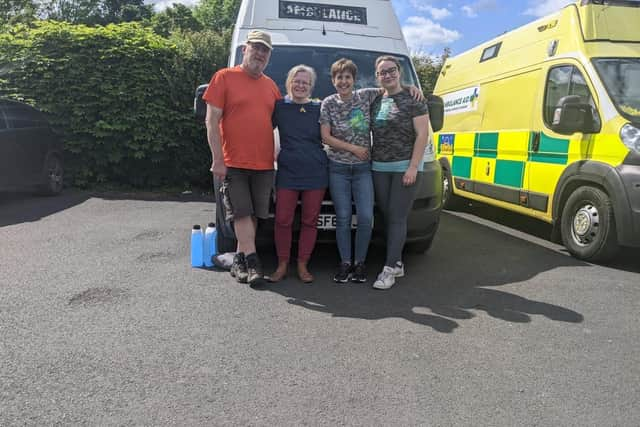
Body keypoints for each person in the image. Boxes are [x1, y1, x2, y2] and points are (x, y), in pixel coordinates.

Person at [319, 58, 423, 284]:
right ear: (333, 80)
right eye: (339, 77)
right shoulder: (328, 103)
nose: (344, 81)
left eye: (348, 77)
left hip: (364, 169)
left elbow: (391, 86)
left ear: (354, 80)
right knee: (344, 217)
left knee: (366, 217)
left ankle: (360, 264)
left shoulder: (366, 96)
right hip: (338, 168)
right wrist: (354, 148)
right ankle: (346, 262)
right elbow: (325, 136)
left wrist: (410, 87)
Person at [202, 30, 282, 286]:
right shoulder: (224, 77)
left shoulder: (271, 86)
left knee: (255, 214)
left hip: (264, 163)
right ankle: (254, 263)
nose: (260, 53)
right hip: (233, 161)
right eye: (256, 47)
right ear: (244, 49)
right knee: (241, 212)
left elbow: (278, 124)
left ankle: (238, 261)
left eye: (265, 50)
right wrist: (217, 159)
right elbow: (211, 121)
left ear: (269, 56)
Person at [370, 55, 431, 290]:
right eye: (382, 72)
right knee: (388, 214)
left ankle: (391, 267)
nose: (387, 74)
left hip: (405, 167)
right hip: (379, 167)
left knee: (397, 216)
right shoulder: (375, 99)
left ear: (399, 71)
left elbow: (422, 135)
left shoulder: (414, 98)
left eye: (391, 70)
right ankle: (397, 262)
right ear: (377, 76)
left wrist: (413, 167)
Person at [268, 65, 328, 284]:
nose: (301, 85)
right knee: (283, 220)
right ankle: (282, 264)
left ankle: (303, 264)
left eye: (305, 82)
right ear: (289, 83)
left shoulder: (320, 107)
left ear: (311, 87)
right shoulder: (279, 107)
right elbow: (260, 127)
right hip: (287, 173)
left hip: (316, 172)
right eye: (297, 81)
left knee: (310, 221)